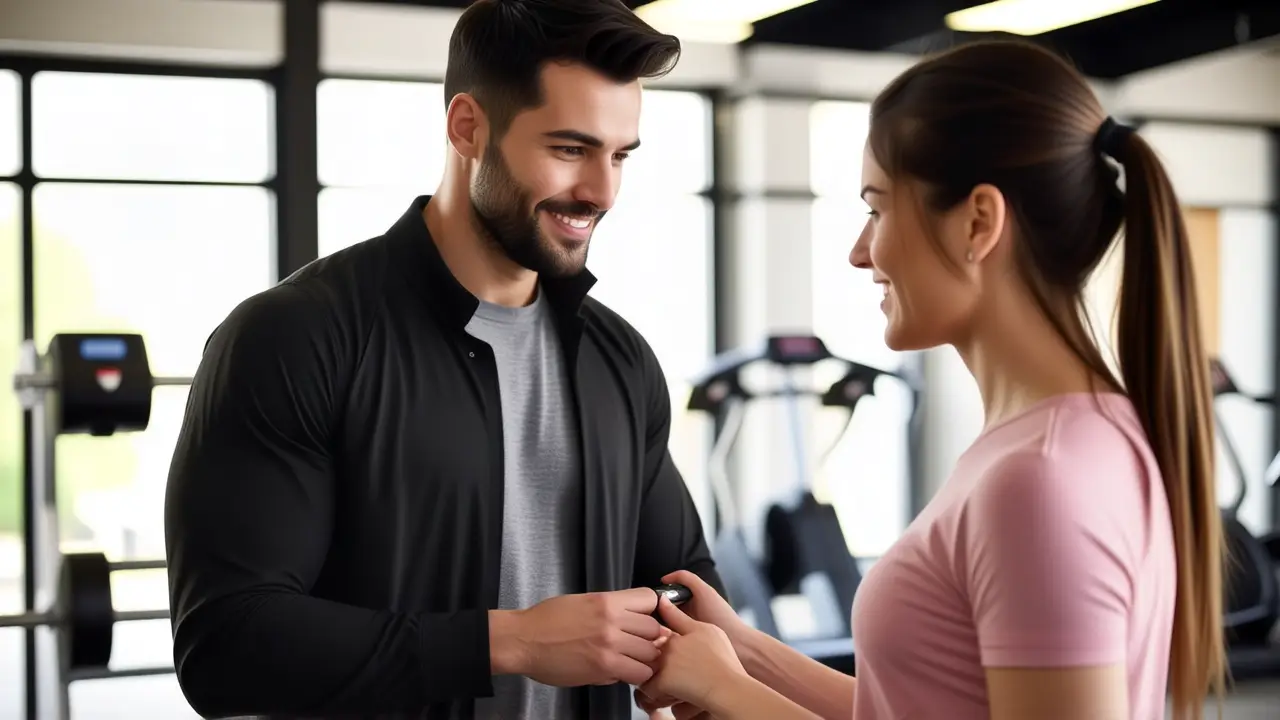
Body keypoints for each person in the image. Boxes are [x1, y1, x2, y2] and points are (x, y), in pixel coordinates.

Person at [633, 38, 1226, 720]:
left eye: (878, 208)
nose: (862, 252)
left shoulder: (1039, 476)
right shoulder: (1067, 440)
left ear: (978, 222)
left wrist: (729, 694)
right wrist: (746, 652)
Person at [163, 1, 723, 718]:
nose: (602, 192)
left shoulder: (619, 358)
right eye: (569, 149)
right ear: (467, 127)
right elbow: (226, 647)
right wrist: (509, 642)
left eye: (619, 156)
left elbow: (690, 587)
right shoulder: (294, 337)